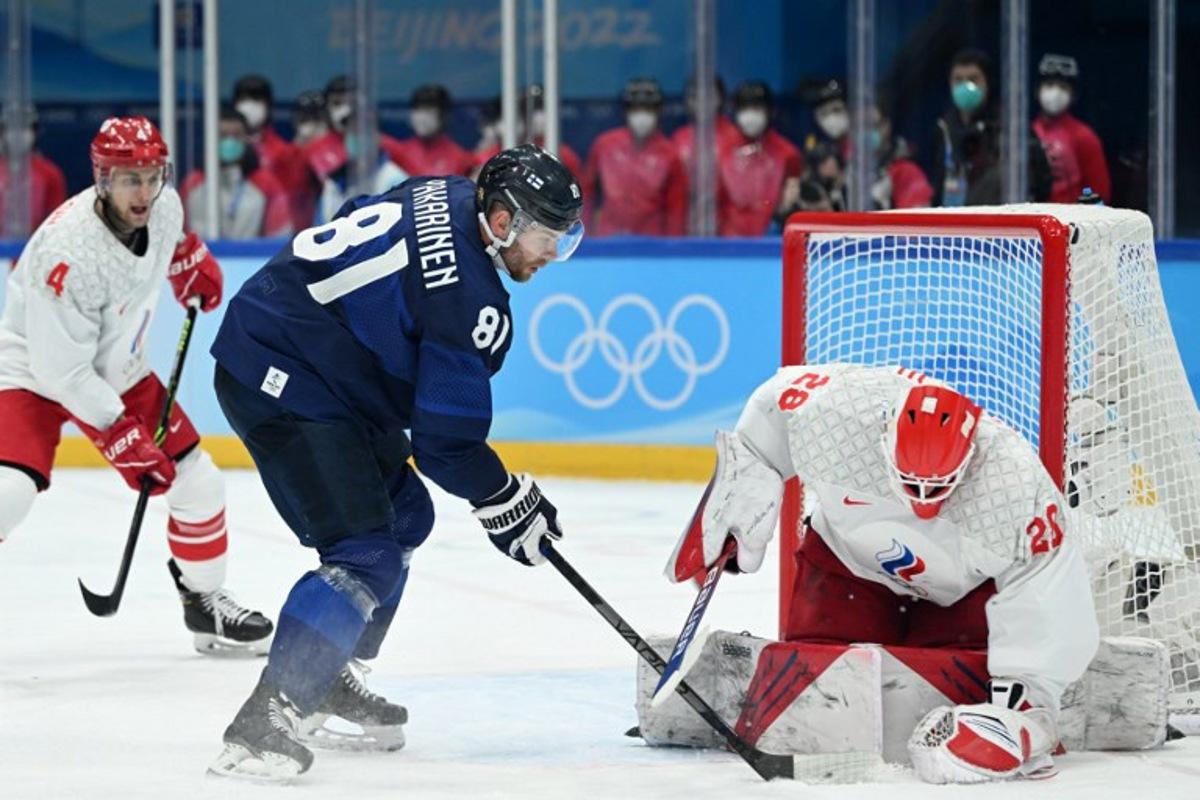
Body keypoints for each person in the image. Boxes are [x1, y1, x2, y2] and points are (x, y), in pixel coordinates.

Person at [206, 144, 584, 781]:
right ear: (501, 222)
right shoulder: (468, 295)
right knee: (365, 553)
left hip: (307, 355)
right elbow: (443, 443)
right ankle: (265, 720)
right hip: (279, 371)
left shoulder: (448, 191)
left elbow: (358, 225)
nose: (551, 255)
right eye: (547, 238)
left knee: (405, 517)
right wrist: (504, 496)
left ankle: (329, 675)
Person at [666, 363, 1099, 784]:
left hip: (958, 595)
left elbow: (1047, 584)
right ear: (883, 437)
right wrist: (735, 500)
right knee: (814, 671)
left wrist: (1027, 702)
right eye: (911, 485)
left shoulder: (1015, 484)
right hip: (846, 567)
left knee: (963, 682)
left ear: (971, 456)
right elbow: (769, 412)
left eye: (937, 489)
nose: (922, 504)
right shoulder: (835, 413)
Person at [0, 116, 274, 656]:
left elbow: (169, 240)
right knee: (10, 490)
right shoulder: (68, 251)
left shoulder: (163, 205)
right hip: (34, 372)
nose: (144, 191)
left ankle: (205, 602)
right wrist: (121, 437)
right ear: (102, 178)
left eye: (152, 176)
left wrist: (187, 262)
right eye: (130, 178)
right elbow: (65, 373)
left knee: (199, 482)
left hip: (117, 368)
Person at [928, 48, 1051, 206]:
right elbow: (938, 186)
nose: (965, 86)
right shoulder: (943, 129)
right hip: (953, 223)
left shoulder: (1010, 126)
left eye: (973, 79)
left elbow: (1040, 180)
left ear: (987, 82)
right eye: (958, 80)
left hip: (997, 222)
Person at [585, 77, 686, 236]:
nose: (642, 116)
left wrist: (672, 248)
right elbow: (587, 194)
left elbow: (676, 209)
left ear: (658, 112)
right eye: (636, 109)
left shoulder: (670, 155)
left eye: (648, 110)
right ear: (626, 111)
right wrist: (584, 237)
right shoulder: (604, 145)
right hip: (608, 240)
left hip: (652, 243)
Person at [180, 106, 293, 238]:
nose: (229, 141)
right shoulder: (192, 183)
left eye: (236, 135)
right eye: (222, 135)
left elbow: (280, 235)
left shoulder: (265, 183)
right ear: (210, 139)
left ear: (247, 139)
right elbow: (180, 234)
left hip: (251, 257)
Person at [715, 81, 804, 236]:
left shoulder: (788, 154)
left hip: (773, 241)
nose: (750, 115)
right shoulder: (722, 151)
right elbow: (717, 204)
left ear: (769, 111)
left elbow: (792, 204)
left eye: (756, 108)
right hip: (730, 243)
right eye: (745, 109)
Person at [231, 74, 312, 231]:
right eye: (243, 100)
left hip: (277, 233)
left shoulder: (286, 153)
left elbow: (296, 201)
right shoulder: (220, 152)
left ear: (268, 106)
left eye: (256, 100)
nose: (249, 107)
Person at [1031, 54, 1111, 204]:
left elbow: (1099, 193)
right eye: (1049, 84)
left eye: (1063, 87)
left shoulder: (1084, 137)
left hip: (1070, 221)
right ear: (1037, 90)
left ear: (1073, 95)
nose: (1055, 92)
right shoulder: (1026, 133)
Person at [312, 110, 409, 224]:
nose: (355, 137)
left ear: (376, 136)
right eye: (351, 132)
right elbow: (318, 230)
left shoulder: (395, 179)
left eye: (361, 132)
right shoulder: (333, 182)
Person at [383, 84, 477, 178]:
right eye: (417, 110)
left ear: (444, 116)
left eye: (429, 111)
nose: (422, 118)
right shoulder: (397, 153)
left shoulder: (462, 159)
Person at [0, 113, 68, 232]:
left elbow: (57, 218)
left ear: (34, 133)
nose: (18, 136)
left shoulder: (49, 172)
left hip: (35, 243)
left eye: (25, 129)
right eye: (12, 130)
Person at [868, 103, 934, 209]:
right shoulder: (849, 166)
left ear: (887, 126)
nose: (869, 132)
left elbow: (918, 217)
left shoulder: (906, 169)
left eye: (875, 125)